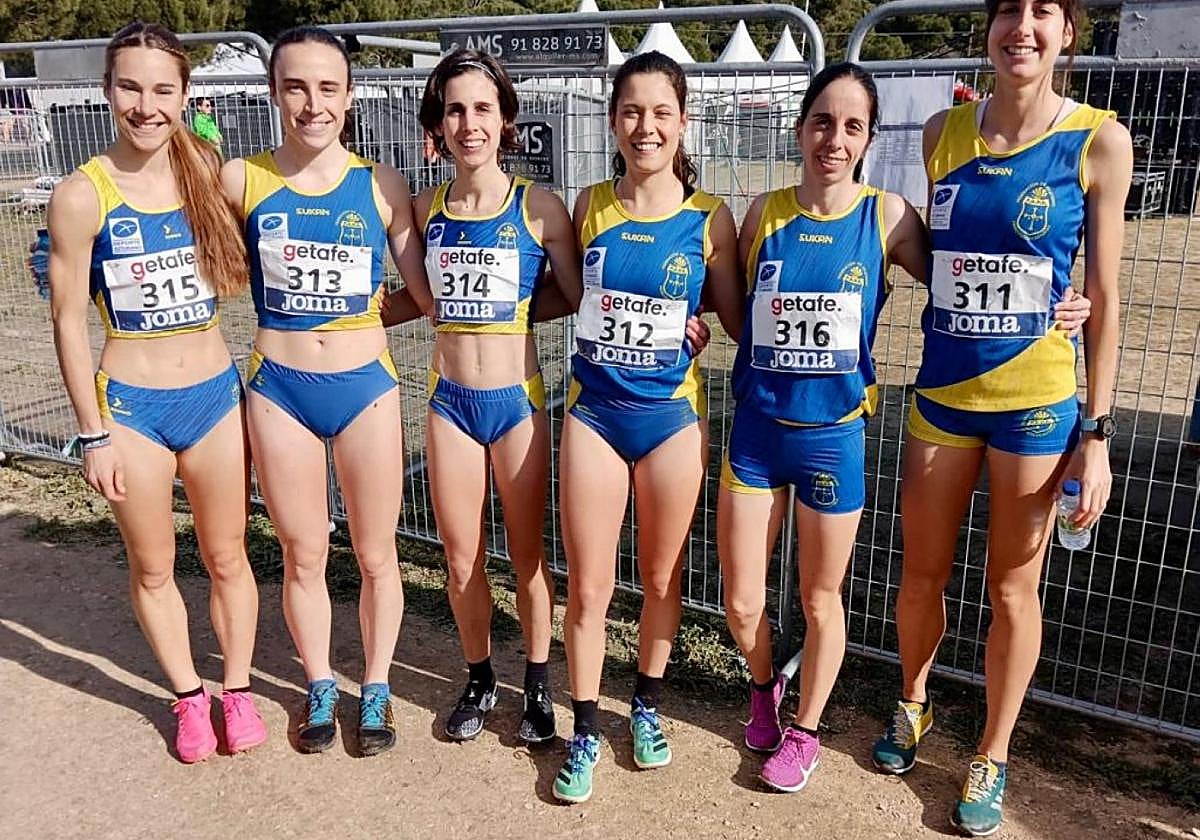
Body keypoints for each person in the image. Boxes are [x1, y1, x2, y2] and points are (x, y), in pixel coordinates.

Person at [870, 1, 1130, 835]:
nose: (1023, 26)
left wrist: (1097, 435)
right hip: (944, 395)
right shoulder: (942, 133)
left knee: (1014, 586)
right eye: (1009, 10)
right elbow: (939, 257)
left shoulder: (1098, 139)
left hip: (1038, 407)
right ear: (988, 28)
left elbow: (1106, 299)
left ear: (1067, 31)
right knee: (922, 573)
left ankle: (992, 751)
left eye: (1042, 11)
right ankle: (914, 702)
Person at [47, 22, 265, 763]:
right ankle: (188, 697)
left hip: (214, 399)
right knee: (153, 566)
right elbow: (67, 321)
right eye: (131, 88)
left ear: (184, 96)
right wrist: (92, 433)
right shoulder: (82, 195)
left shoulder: (205, 169)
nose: (146, 105)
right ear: (108, 90)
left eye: (162, 90)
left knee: (229, 556)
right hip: (132, 410)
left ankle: (237, 690)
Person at [718, 62, 929, 794]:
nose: (833, 139)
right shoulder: (763, 213)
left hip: (832, 438)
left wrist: (1057, 300)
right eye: (822, 122)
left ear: (868, 139)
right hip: (757, 431)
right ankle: (764, 688)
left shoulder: (889, 217)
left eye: (851, 127)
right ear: (800, 127)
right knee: (741, 601)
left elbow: (960, 278)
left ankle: (805, 731)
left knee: (819, 598)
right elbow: (729, 303)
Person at [220, 26, 427, 757]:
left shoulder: (382, 185)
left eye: (328, 87)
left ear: (350, 95)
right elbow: (185, 250)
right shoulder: (240, 180)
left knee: (376, 553)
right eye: (296, 87)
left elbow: (428, 293)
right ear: (274, 93)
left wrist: (363, 314)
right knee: (303, 551)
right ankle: (317, 681)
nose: (313, 104)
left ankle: (376, 686)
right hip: (280, 388)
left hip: (365, 385)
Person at [552, 51, 743, 804]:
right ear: (613, 121)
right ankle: (584, 728)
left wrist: (701, 328)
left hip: (670, 419)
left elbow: (732, 315)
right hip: (595, 415)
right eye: (632, 111)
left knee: (662, 577)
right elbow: (574, 296)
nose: (646, 126)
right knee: (590, 584)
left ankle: (647, 704)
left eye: (661, 112)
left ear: (683, 121)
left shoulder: (710, 218)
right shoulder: (589, 204)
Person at [397, 49, 581, 744]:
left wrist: (520, 313)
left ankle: (537, 681)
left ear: (506, 120)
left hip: (516, 404)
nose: (468, 124)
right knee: (459, 558)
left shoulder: (540, 207)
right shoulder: (423, 209)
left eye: (482, 108)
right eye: (455, 110)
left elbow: (578, 294)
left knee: (527, 557)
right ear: (438, 124)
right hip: (450, 402)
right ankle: (478, 677)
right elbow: (416, 299)